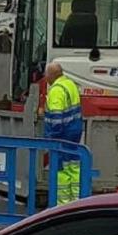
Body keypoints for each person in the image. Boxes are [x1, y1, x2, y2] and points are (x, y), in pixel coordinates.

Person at [43, 62, 83, 205]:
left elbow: (56, 118)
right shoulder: (70, 84)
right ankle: (77, 201)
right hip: (74, 133)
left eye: (46, 74)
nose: (45, 77)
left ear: (51, 75)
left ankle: (62, 205)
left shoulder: (56, 90)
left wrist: (51, 138)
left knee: (60, 171)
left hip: (61, 136)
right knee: (73, 167)